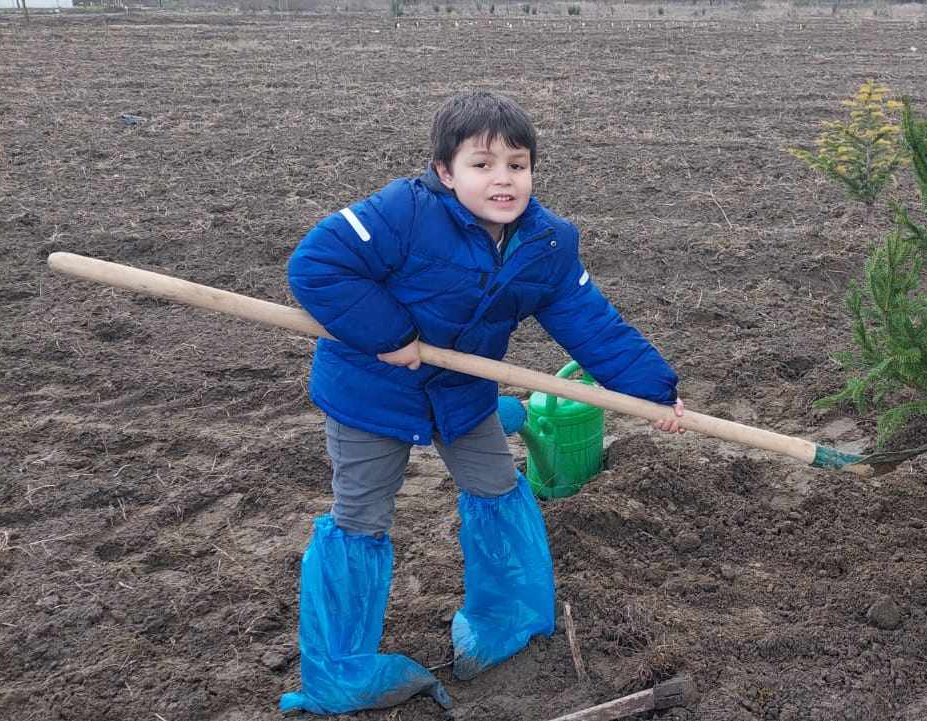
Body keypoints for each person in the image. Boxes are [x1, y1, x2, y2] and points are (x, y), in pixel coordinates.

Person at [279, 91, 685, 715]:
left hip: (463, 393)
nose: (503, 179)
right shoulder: (401, 214)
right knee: (361, 513)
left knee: (496, 486)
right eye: (482, 164)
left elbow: (591, 323)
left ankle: (508, 621)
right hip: (369, 392)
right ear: (445, 172)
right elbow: (317, 266)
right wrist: (391, 336)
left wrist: (653, 390)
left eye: (517, 165)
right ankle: (342, 669)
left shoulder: (546, 244)